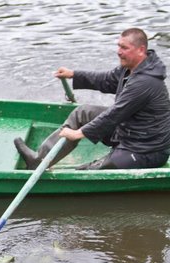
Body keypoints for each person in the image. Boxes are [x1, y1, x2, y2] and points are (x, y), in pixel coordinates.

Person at [14, 27, 170, 170]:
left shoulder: (145, 82)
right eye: (118, 46)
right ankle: (39, 160)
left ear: (141, 50)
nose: (119, 51)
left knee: (88, 170)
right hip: (128, 132)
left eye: (124, 48)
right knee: (83, 113)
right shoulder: (130, 68)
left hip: (146, 150)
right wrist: (74, 74)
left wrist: (78, 133)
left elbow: (115, 114)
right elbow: (107, 80)